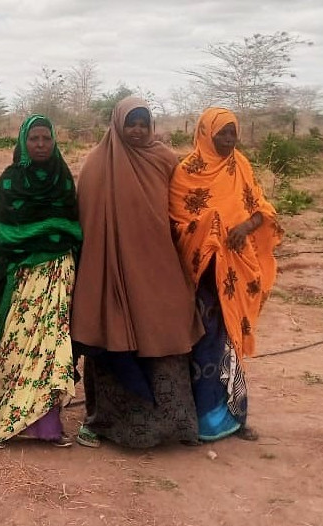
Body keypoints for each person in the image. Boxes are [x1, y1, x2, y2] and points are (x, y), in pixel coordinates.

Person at [71, 97, 204, 449]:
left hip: (159, 271)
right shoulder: (97, 165)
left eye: (144, 123)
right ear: (117, 123)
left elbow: (183, 212)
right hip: (111, 276)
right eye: (132, 123)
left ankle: (177, 425)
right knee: (112, 336)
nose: (138, 130)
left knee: (166, 334)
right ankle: (103, 423)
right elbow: (86, 226)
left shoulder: (165, 160)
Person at [169, 107, 281, 442]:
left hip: (236, 272)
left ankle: (234, 418)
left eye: (233, 133)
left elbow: (263, 210)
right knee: (203, 344)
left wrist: (245, 226)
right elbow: (177, 220)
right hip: (201, 276)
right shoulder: (186, 172)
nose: (230, 140)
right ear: (205, 133)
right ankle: (200, 420)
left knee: (229, 343)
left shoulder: (240, 166)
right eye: (223, 134)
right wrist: (210, 227)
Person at [0, 115, 82, 449]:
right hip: (22, 276)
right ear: (23, 141)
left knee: (53, 349)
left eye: (46, 138)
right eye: (34, 138)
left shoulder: (64, 179)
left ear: (54, 141)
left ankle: (50, 427)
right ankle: (13, 419)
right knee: (18, 346)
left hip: (57, 273)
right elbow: (2, 234)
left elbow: (72, 227)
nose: (40, 144)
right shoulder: (10, 181)